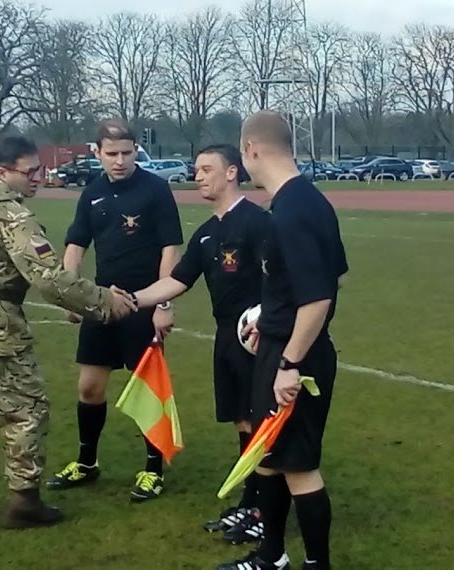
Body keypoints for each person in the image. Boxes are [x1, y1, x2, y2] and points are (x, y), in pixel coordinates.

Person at [0, 135, 136, 540]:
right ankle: (24, 501)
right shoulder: (13, 217)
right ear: (3, 172)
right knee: (26, 411)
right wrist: (104, 302)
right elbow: (48, 279)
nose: (39, 177)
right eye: (31, 171)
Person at [218, 111, 348, 570]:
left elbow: (318, 299)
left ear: (251, 149)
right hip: (277, 346)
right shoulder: (303, 202)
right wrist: (268, 320)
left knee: (297, 464)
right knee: (267, 457)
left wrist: (290, 363)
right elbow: (319, 282)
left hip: (297, 359)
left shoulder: (295, 210)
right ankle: (272, 557)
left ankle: (317, 564)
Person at [131, 144, 269, 541]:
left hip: (257, 339)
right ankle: (250, 502)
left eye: (207, 169)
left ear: (232, 172)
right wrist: (131, 300)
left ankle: (262, 508)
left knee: (260, 422)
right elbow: (177, 280)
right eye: (196, 170)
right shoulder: (207, 234)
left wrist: (269, 321)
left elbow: (281, 279)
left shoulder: (257, 223)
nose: (198, 176)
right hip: (226, 337)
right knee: (242, 420)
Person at [47, 119, 183, 502]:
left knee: (147, 391)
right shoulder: (91, 193)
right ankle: (86, 463)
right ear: (97, 153)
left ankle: (152, 470)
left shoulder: (155, 190)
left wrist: (162, 303)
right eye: (112, 154)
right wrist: (71, 295)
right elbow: (75, 246)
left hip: (144, 304)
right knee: (89, 387)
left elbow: (171, 248)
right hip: (102, 304)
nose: (120, 161)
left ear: (136, 150)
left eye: (127, 152)